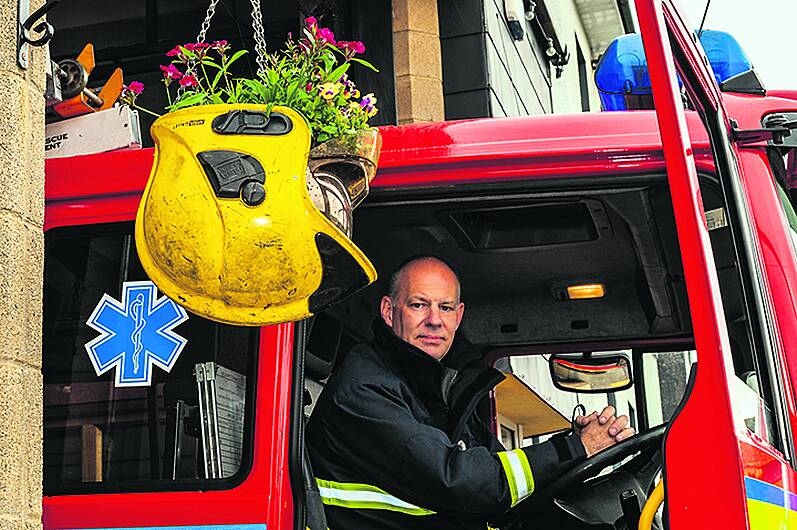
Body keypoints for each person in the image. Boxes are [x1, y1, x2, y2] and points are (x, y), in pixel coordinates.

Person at [306, 256, 635, 530]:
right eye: (419, 305)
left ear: (459, 315)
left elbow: (501, 476)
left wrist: (573, 450)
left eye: (446, 308)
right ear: (390, 312)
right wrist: (573, 449)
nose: (435, 320)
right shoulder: (365, 387)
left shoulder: (445, 386)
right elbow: (461, 483)